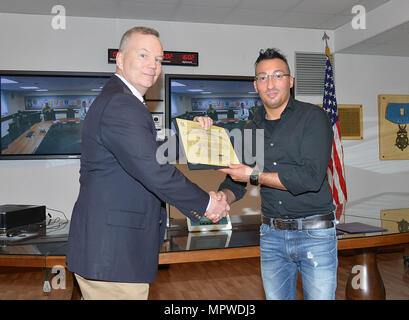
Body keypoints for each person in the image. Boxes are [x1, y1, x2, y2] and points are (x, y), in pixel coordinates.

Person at [66, 26, 229, 300]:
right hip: (113, 255)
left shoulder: (122, 100)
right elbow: (153, 169)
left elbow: (148, 154)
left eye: (158, 59)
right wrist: (207, 203)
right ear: (119, 58)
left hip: (111, 254)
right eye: (143, 55)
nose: (153, 65)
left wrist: (192, 137)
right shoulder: (121, 104)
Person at [216, 48, 337, 300]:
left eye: (278, 75)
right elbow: (237, 180)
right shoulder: (251, 127)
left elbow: (310, 178)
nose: (270, 83)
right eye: (263, 77)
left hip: (314, 234)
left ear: (290, 82)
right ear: (255, 85)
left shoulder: (313, 117)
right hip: (271, 236)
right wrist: (221, 199)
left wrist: (255, 175)